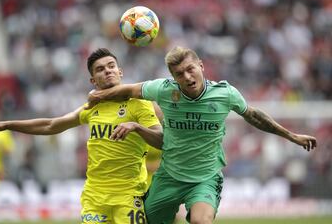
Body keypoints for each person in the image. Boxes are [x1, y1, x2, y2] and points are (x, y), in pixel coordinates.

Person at [84, 46, 317, 224]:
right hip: (169, 176)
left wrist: (291, 136)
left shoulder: (225, 94)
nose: (186, 77)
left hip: (204, 178)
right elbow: (129, 89)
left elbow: (254, 116)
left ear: (201, 66)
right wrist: (99, 96)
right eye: (179, 74)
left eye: (190, 69)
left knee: (200, 221)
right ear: (173, 77)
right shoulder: (164, 90)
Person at [0, 48, 163, 224]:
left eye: (111, 66)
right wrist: (8, 125)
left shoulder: (140, 104)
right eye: (100, 69)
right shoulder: (91, 109)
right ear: (93, 80)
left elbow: (160, 139)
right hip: (95, 197)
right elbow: (50, 125)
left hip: (129, 194)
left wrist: (136, 127)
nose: (107, 71)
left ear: (120, 71)